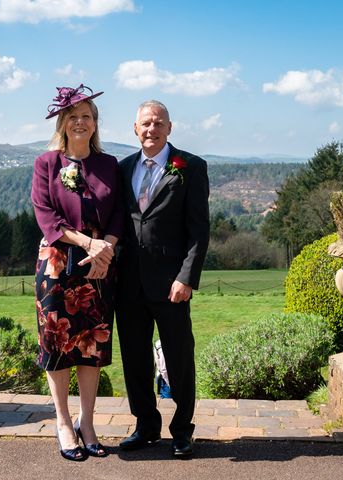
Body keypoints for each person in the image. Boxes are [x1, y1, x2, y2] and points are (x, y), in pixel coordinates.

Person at [31, 84, 123, 461]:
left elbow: (119, 214)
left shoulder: (109, 165)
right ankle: (64, 424)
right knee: (58, 345)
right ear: (63, 124)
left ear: (95, 123)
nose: (80, 122)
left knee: (92, 344)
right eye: (74, 117)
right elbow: (46, 215)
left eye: (87, 116)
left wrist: (106, 250)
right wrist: (88, 244)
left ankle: (88, 422)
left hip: (99, 265)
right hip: (57, 263)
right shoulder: (46, 164)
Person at [116, 100, 210, 458]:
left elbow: (199, 231)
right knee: (135, 359)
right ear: (135, 129)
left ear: (169, 128)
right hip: (128, 285)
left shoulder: (190, 167)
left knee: (180, 357)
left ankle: (183, 430)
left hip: (172, 284)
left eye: (158, 123)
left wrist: (186, 277)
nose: (151, 129)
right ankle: (145, 426)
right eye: (145, 124)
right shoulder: (123, 169)